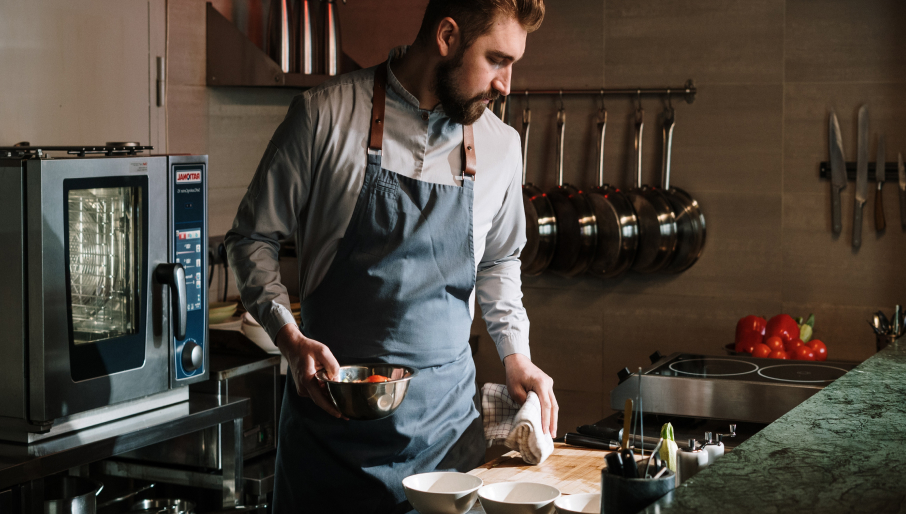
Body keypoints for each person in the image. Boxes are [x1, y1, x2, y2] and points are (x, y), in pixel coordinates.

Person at [225, 1, 555, 512]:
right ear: (447, 36)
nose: (506, 84)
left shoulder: (501, 146)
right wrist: (289, 340)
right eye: (496, 60)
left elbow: (498, 262)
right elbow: (251, 238)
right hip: (329, 448)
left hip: (446, 447)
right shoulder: (323, 116)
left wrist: (516, 354)